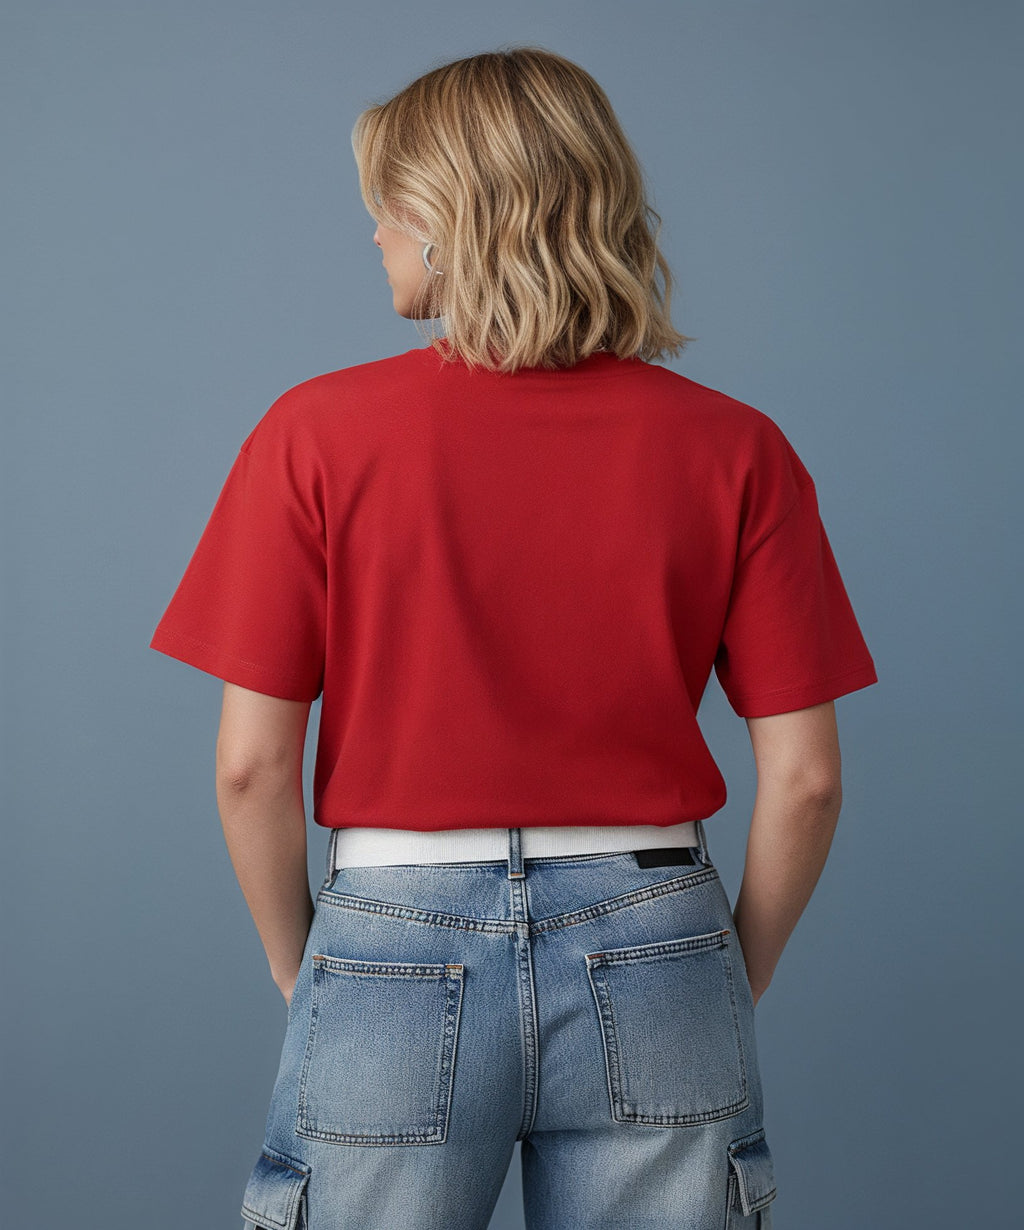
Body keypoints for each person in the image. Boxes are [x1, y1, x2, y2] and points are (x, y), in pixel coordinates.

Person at [149, 45, 877, 1230]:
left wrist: (316, 975)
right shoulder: (736, 448)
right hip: (660, 928)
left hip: (391, 929)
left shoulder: (314, 435)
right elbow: (804, 782)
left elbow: (250, 767)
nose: (372, 233)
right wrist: (715, 978)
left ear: (446, 217)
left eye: (388, 204)